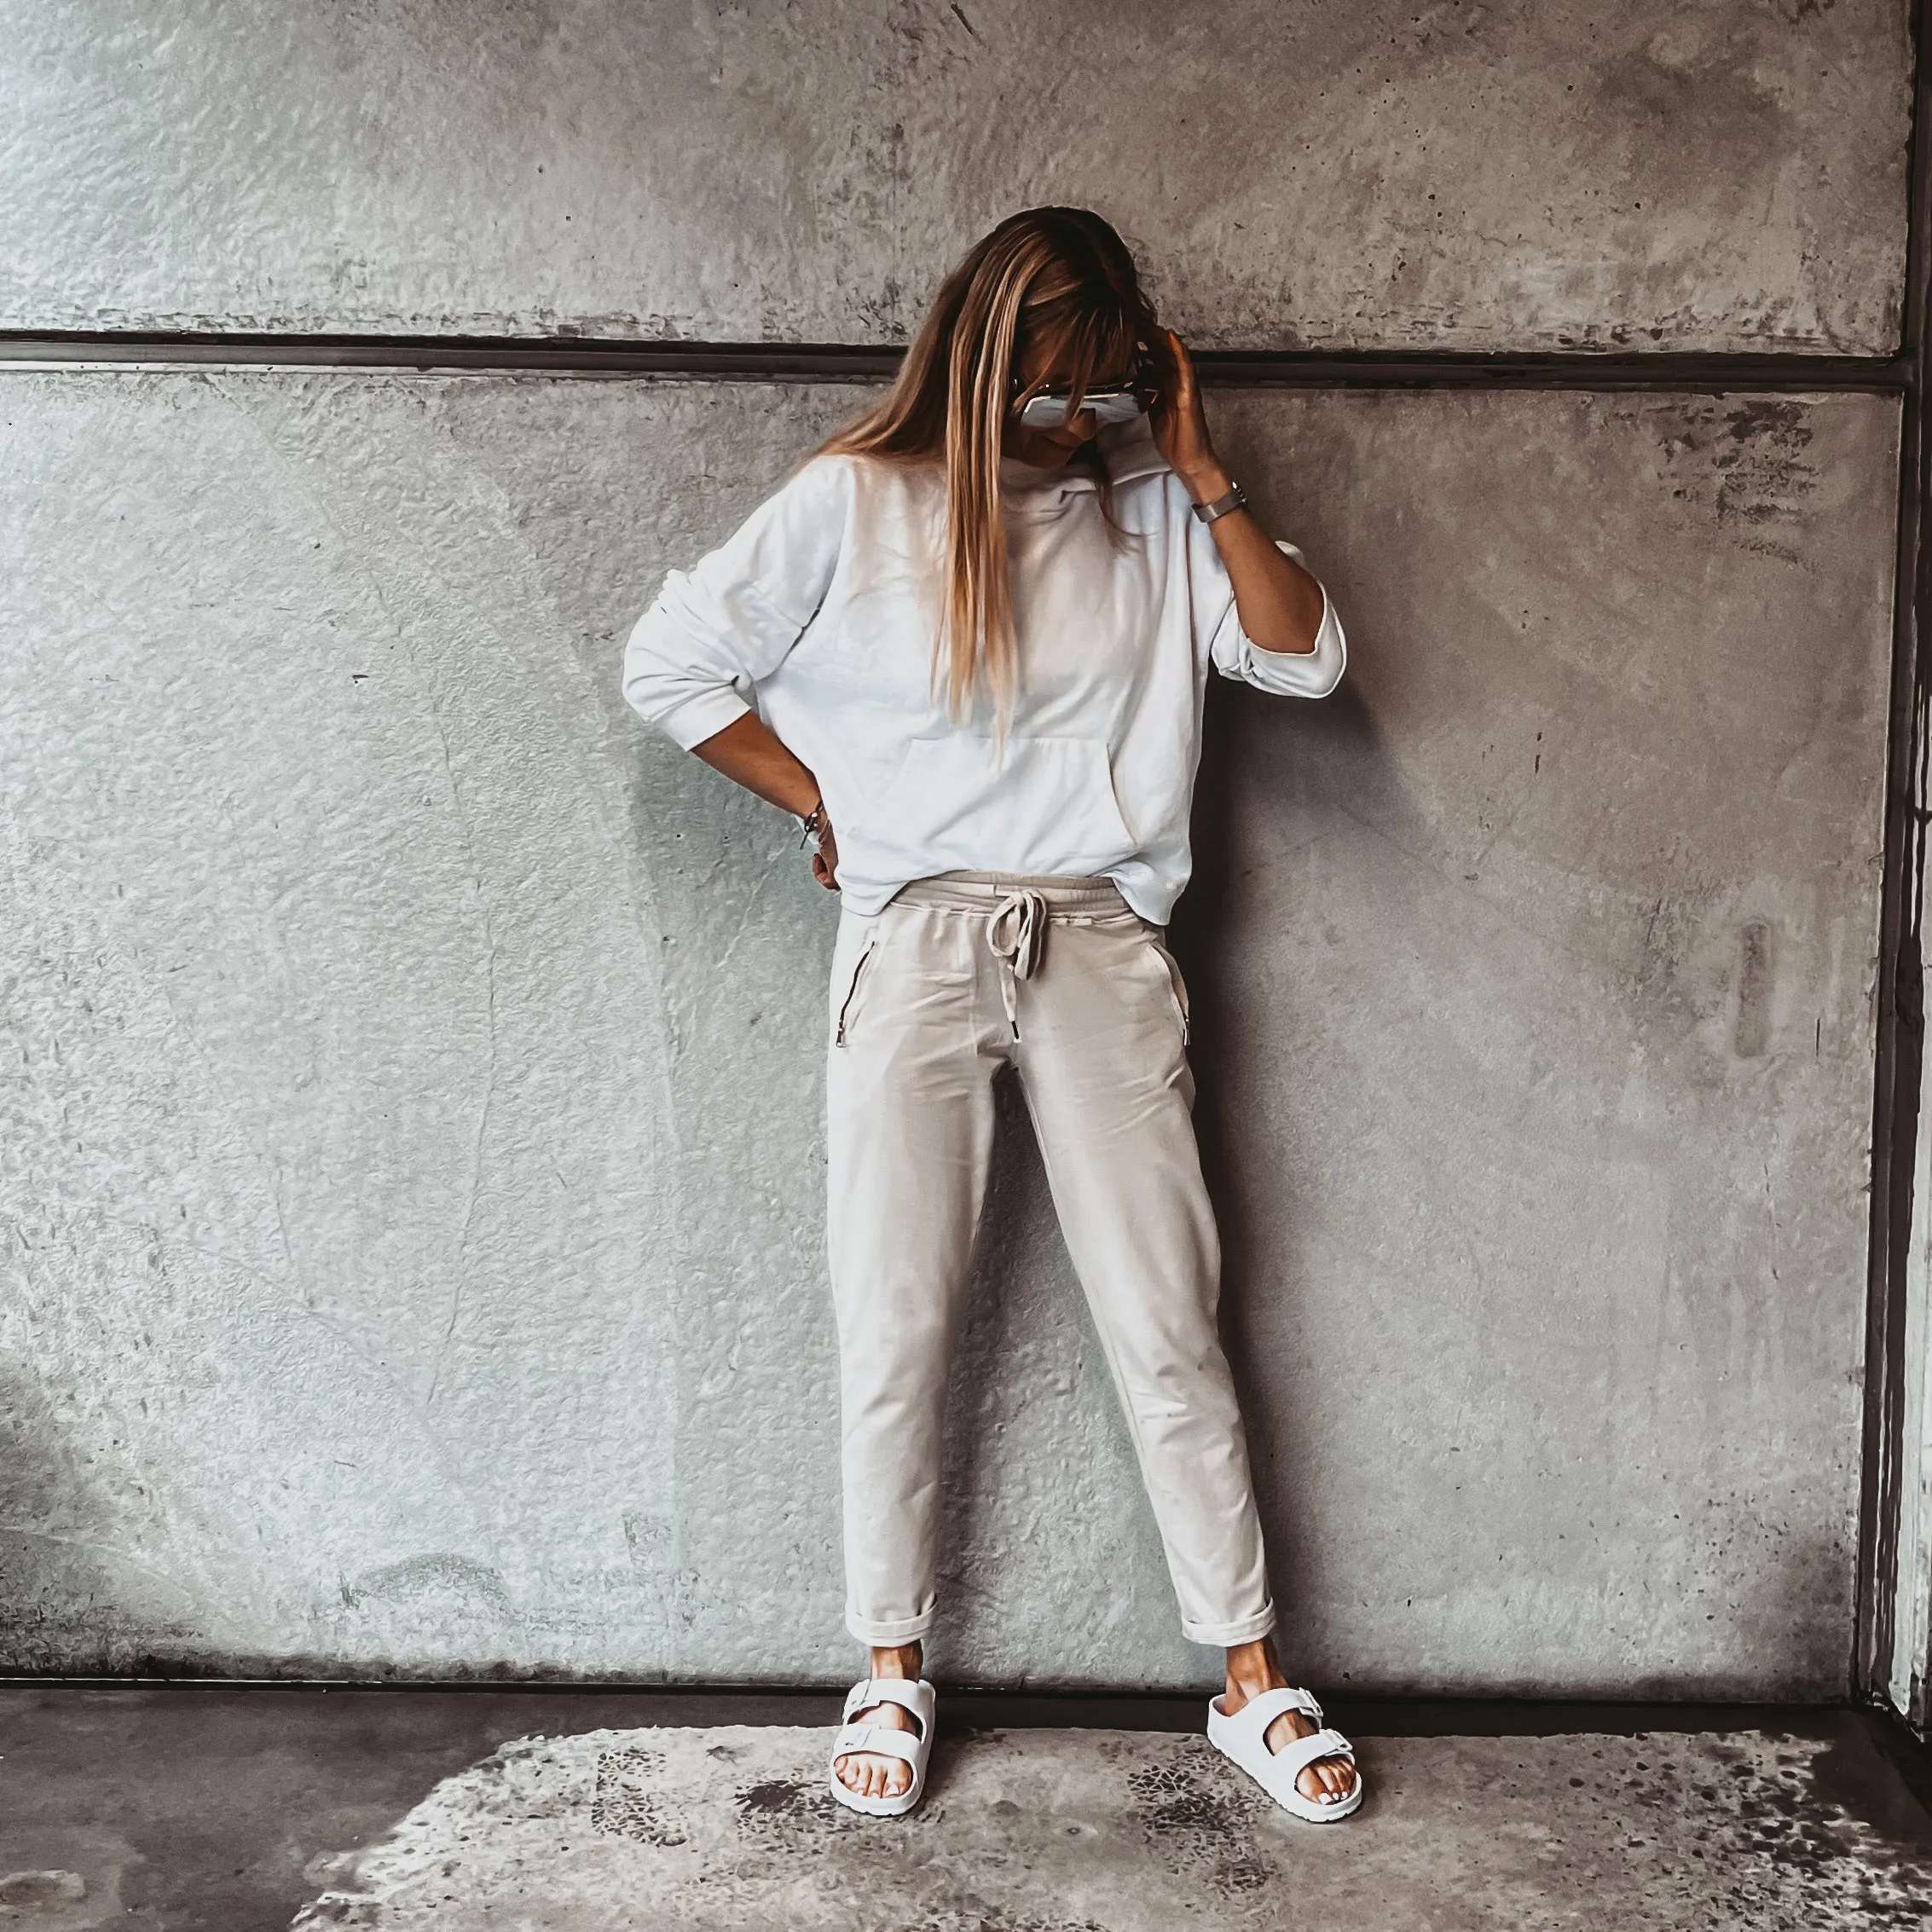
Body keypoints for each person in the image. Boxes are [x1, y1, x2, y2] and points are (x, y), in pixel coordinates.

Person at [620, 206, 1360, 1825]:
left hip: (1101, 940)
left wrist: (1198, 459)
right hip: (917, 939)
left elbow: (1304, 661)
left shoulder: (1160, 508)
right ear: (977, 362)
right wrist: (822, 805)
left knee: (1168, 1316)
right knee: (898, 1316)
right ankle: (888, 1661)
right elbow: (669, 667)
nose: (1069, 425)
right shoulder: (857, 500)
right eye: (1047, 393)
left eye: (1098, 393)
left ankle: (1245, 1673)